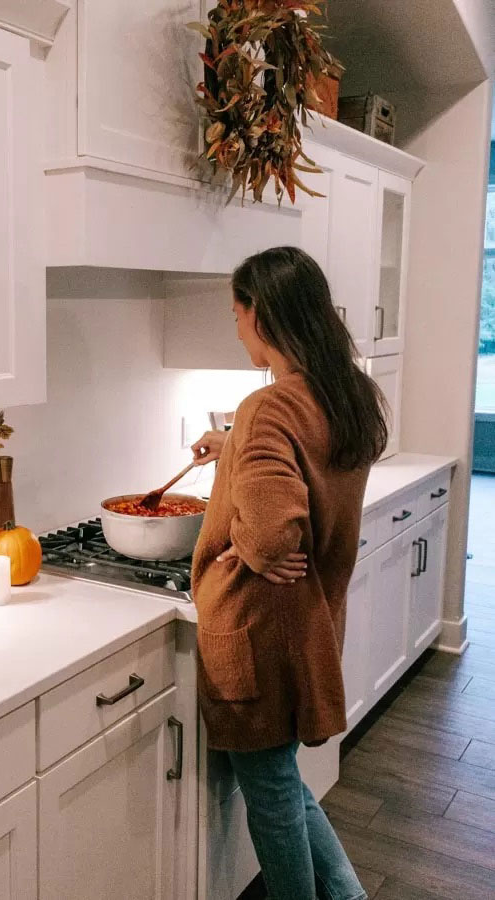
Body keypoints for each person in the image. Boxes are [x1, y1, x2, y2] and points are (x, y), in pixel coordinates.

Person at [189, 246, 388, 900]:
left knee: (271, 795)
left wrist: (246, 543)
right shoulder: (349, 393)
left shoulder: (267, 407)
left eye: (237, 313)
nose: (236, 326)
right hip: (309, 624)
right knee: (282, 780)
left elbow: (274, 535)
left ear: (264, 316)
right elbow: (305, 464)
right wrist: (234, 451)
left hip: (256, 630)